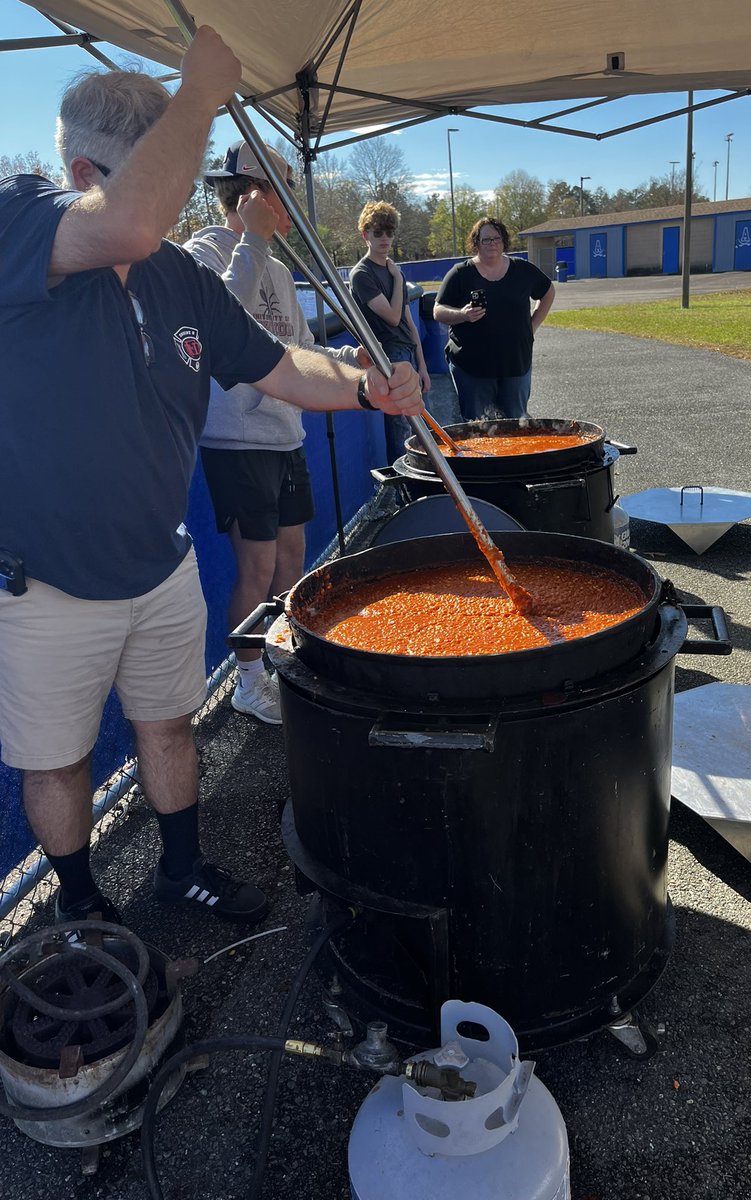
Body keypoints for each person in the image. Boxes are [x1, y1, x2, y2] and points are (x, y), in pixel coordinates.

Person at [0, 28, 421, 930]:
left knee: (168, 725)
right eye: (161, 175)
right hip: (44, 579)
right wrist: (199, 96)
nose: (177, 205)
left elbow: (278, 366)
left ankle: (180, 868)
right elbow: (129, 219)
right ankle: (77, 905)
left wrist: (365, 386)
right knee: (56, 759)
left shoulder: (179, 279)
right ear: (82, 172)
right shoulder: (18, 214)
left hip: (161, 564)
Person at [185, 141, 363, 726]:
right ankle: (247, 680)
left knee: (293, 557)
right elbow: (213, 325)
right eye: (280, 194)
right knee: (256, 569)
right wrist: (253, 241)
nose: (290, 211)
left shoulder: (281, 270)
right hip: (236, 440)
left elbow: (301, 349)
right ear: (253, 194)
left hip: (286, 435)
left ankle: (281, 658)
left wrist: (349, 361)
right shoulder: (203, 253)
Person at [433, 216, 555, 421]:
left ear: (504, 241)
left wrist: (531, 327)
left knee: (517, 424)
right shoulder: (461, 273)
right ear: (476, 243)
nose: (492, 244)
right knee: (479, 428)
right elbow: (438, 310)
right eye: (486, 240)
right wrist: (462, 315)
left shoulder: (522, 269)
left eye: (496, 238)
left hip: (515, 363)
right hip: (472, 368)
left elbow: (548, 291)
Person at [349, 201, 430, 460]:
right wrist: (397, 279)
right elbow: (393, 318)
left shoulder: (394, 271)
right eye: (377, 232)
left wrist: (423, 365)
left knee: (419, 425)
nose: (384, 238)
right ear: (366, 235)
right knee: (401, 430)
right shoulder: (362, 273)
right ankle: (402, 493)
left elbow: (408, 322)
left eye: (389, 232)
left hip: (407, 353)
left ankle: (422, 482)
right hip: (388, 357)